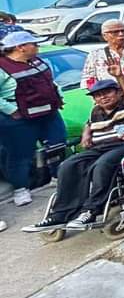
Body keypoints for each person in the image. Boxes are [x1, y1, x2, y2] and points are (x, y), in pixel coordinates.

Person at [22, 71, 124, 233]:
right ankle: (60, 215)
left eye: (107, 92)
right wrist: (86, 134)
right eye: (98, 95)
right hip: (99, 147)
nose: (103, 97)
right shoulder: (96, 111)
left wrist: (120, 77)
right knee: (68, 165)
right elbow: (88, 124)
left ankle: (90, 211)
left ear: (119, 92)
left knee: (102, 165)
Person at [0, 30, 67, 208]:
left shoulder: (37, 61)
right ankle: (21, 189)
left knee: (57, 145)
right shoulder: (2, 67)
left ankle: (58, 178)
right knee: (19, 155)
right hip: (19, 119)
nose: (37, 46)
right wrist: (11, 110)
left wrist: (58, 97)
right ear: (20, 48)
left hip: (49, 114)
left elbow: (50, 82)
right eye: (34, 44)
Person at [80, 18, 124, 89]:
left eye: (123, 31)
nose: (121, 34)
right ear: (105, 36)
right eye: (115, 32)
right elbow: (88, 81)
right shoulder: (95, 56)